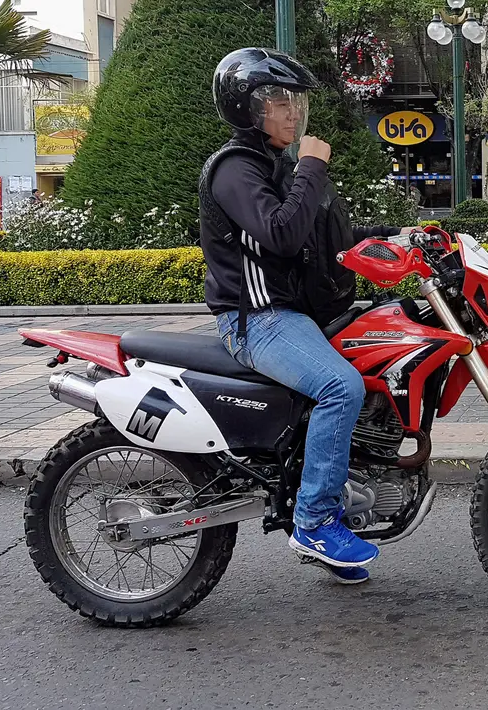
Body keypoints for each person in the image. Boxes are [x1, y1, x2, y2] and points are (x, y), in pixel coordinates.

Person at [198, 47, 412, 585]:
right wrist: (314, 166)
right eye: (278, 101)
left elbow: (320, 239)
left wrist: (398, 240)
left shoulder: (280, 167)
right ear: (247, 107)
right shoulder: (234, 169)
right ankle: (315, 521)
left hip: (295, 314)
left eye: (296, 102)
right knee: (342, 387)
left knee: (380, 359)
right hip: (257, 318)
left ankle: (337, 495)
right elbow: (282, 233)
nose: (293, 113)